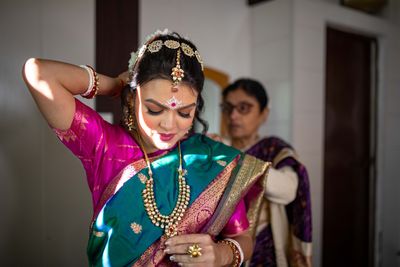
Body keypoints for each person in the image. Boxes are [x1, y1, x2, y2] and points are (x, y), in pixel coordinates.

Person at [22, 30, 271, 267]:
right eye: (154, 109)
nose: (168, 124)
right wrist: (114, 85)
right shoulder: (105, 146)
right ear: (133, 99)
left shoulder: (210, 159)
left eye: (184, 112)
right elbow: (39, 73)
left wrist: (221, 255)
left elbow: (244, 238)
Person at [220, 79, 312, 267]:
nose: (234, 116)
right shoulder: (218, 146)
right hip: (222, 246)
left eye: (244, 108)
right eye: (228, 108)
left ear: (264, 114)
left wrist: (238, 162)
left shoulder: (274, 149)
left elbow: (288, 189)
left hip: (264, 246)